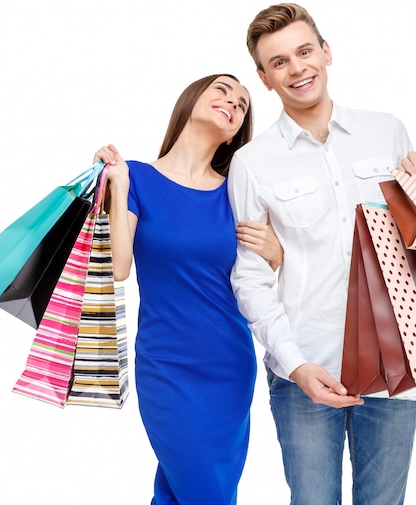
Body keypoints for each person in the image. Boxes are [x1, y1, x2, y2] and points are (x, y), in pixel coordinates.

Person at [227, 4, 416, 505]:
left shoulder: (386, 131)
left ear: (326, 52)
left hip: (391, 366)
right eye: (279, 62)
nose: (297, 68)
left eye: (304, 51)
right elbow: (250, 280)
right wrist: (296, 366)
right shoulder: (252, 163)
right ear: (264, 78)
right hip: (304, 367)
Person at [93, 73, 283, 505]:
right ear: (192, 98)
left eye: (242, 104)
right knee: (205, 494)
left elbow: (277, 270)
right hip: (167, 367)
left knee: (181, 493)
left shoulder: (240, 190)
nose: (233, 103)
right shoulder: (137, 179)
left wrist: (278, 251)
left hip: (229, 368)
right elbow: (118, 268)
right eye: (222, 90)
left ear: (239, 129)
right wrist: (118, 185)